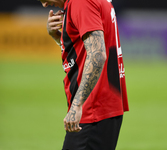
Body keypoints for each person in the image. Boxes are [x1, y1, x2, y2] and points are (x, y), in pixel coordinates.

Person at [39, 0, 129, 149]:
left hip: (93, 108)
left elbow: (97, 55)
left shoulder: (80, 2)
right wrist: (57, 36)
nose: (44, 5)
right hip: (102, 106)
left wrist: (77, 104)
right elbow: (83, 51)